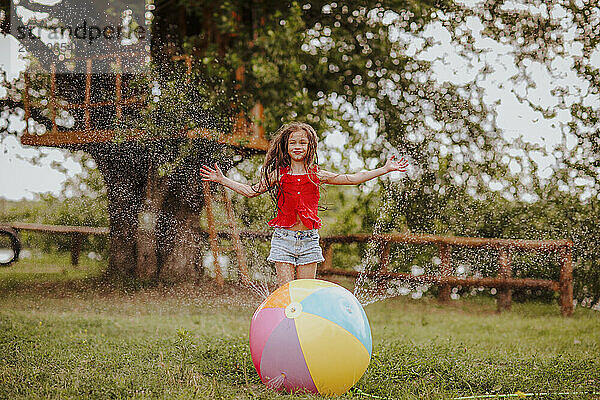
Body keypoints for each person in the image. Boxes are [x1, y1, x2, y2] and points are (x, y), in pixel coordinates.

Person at [199, 122, 409, 286]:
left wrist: (385, 169)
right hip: (283, 239)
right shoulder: (278, 175)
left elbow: (353, 178)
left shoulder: (317, 174)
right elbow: (250, 191)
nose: (297, 146)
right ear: (286, 146)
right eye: (293, 142)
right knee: (287, 294)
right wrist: (222, 179)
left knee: (305, 295)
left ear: (310, 147)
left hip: (309, 240)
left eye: (302, 142)